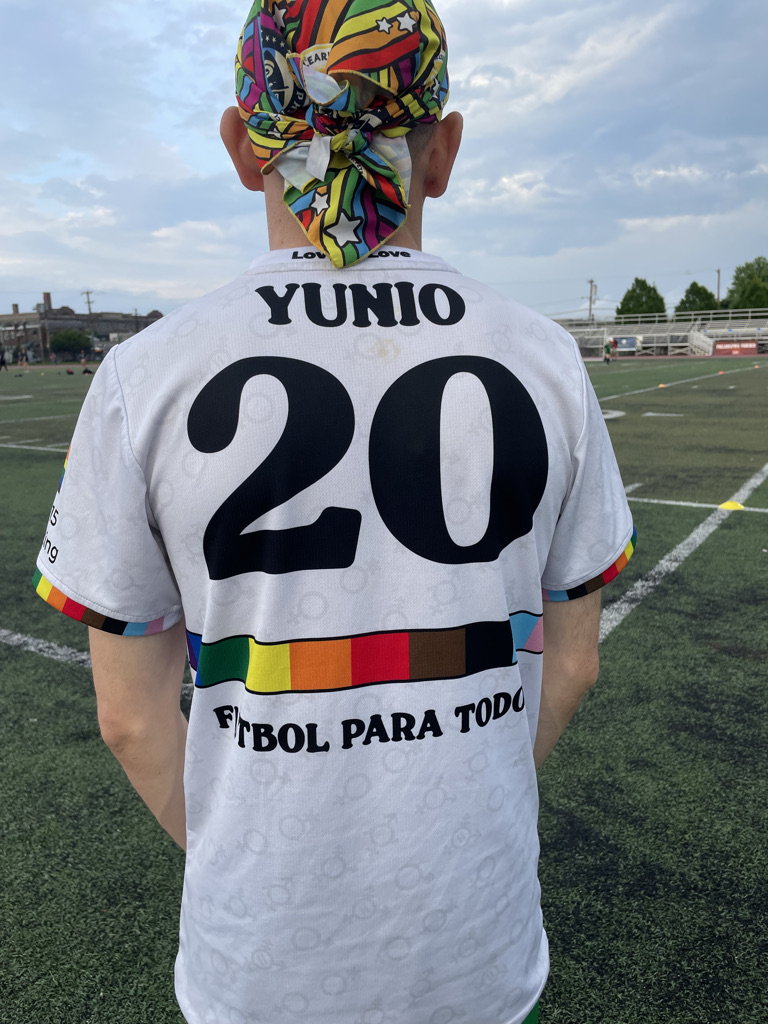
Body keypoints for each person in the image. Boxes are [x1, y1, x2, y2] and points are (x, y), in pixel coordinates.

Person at [34, 2, 635, 1022]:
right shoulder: (545, 358)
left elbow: (131, 716)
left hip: (255, 966)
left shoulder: (148, 375)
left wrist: (253, 866)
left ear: (241, 144)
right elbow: (571, 664)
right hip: (478, 952)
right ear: (442, 149)